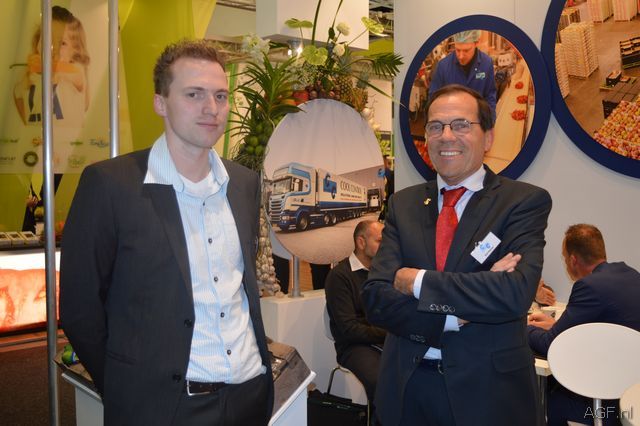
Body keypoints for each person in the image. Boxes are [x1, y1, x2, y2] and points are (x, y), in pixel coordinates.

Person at [60, 39, 273, 426]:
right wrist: (125, 387)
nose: (211, 108)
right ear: (161, 103)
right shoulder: (111, 184)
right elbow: (79, 309)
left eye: (220, 96)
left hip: (248, 395)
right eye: (194, 94)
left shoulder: (243, 183)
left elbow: (240, 288)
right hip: (162, 407)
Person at [362, 84, 551, 426]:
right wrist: (454, 315)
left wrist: (416, 281)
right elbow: (376, 299)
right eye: (435, 126)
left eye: (461, 124)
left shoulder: (522, 203)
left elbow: (514, 294)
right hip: (407, 389)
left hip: (488, 394)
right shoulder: (403, 204)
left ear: (488, 138)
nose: (446, 136)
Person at [528, 224, 640, 426]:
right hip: (632, 397)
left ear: (573, 260)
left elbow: (549, 345)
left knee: (549, 396)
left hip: (604, 408)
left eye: (564, 258)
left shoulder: (588, 286)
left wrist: (522, 328)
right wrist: (555, 325)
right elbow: (605, 327)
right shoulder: (631, 275)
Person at [325, 220, 387, 404]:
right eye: (380, 241)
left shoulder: (383, 273)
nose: (386, 247)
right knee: (381, 381)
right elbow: (348, 329)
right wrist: (388, 333)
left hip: (384, 340)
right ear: (361, 242)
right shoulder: (339, 276)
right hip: (353, 346)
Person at [14, 6, 90, 126]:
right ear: (37, 41)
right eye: (46, 39)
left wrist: (56, 72)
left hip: (67, 136)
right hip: (39, 136)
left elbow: (78, 78)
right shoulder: (28, 74)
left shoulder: (75, 71)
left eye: (62, 43)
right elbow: (17, 93)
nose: (52, 47)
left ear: (75, 51)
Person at [428, 30, 497, 122]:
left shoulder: (486, 63)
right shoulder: (443, 66)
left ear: (476, 43)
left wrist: (490, 121)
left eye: (466, 50)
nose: (461, 56)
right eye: (457, 50)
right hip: (451, 122)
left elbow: (490, 95)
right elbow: (433, 98)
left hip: (477, 121)